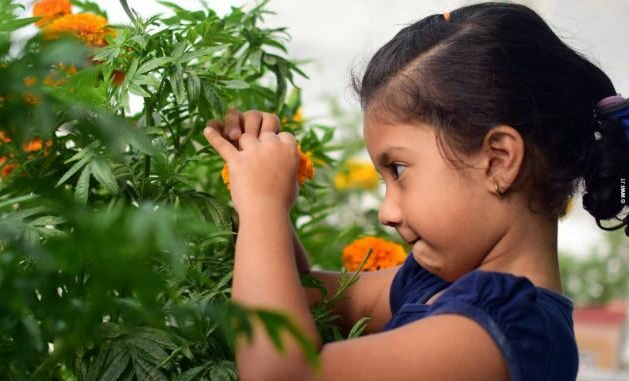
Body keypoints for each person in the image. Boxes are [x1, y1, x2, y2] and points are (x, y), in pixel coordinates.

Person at [202, 2, 629, 380]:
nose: (385, 212)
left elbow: (283, 373)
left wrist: (261, 204)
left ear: (498, 161)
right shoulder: (428, 282)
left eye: (398, 168)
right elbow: (303, 293)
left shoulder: (509, 327)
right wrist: (261, 189)